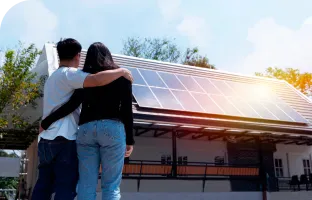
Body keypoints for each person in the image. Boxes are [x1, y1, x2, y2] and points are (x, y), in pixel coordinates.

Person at [31, 39, 133, 200]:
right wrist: (130, 140)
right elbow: (127, 109)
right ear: (77, 55)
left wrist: (45, 122)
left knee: (83, 185)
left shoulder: (72, 79)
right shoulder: (115, 77)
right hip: (105, 130)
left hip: (81, 131)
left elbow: (71, 104)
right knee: (110, 186)